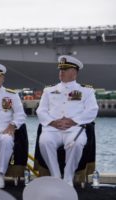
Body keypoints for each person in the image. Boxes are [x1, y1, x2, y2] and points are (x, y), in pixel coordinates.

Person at [36, 55, 99, 186]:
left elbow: (92, 110)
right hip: (53, 129)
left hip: (74, 129)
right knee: (44, 142)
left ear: (74, 73)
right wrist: (53, 122)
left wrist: (73, 121)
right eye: (60, 69)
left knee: (76, 144)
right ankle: (56, 176)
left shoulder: (86, 90)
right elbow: (41, 110)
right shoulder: (49, 90)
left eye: (65, 69)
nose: (61, 72)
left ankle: (68, 178)